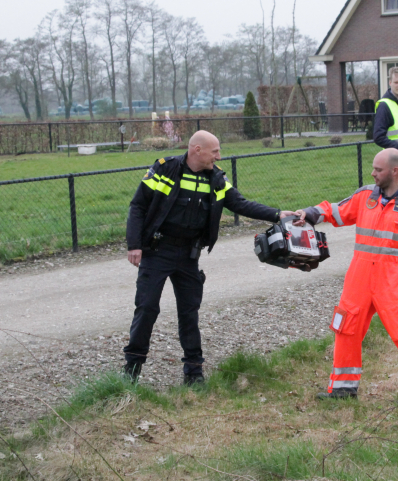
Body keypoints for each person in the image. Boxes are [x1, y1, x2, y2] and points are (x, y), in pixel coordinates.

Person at [123, 130, 296, 384]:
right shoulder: (165, 169)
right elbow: (138, 205)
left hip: (189, 256)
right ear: (197, 150)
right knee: (147, 308)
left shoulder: (216, 178)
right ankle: (131, 372)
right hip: (158, 251)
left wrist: (277, 214)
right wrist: (134, 245)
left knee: (189, 313)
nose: (219, 156)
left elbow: (240, 204)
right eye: (215, 151)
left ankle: (194, 374)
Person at [292, 148, 398, 404]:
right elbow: (337, 210)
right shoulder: (365, 195)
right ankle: (342, 391)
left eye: (378, 170)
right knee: (345, 328)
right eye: (373, 168)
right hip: (358, 279)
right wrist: (310, 213)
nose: (373, 173)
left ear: (395, 171)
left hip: (393, 283)